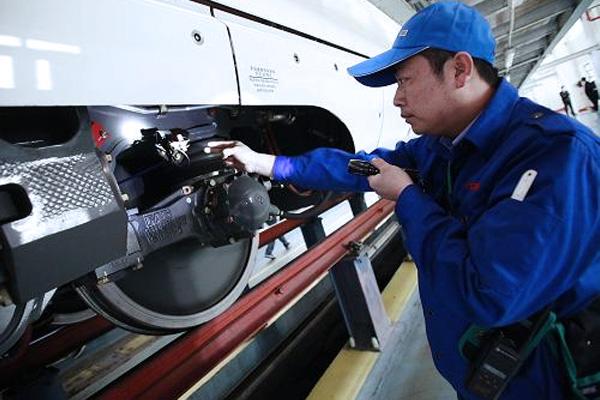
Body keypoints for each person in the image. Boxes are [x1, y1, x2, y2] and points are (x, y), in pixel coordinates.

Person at [206, 2, 600, 399]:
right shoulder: (442, 146)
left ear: (459, 70)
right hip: (488, 378)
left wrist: (408, 198)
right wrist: (271, 164)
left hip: (548, 383)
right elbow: (362, 167)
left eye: (404, 81)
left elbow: (489, 294)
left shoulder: (556, 156)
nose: (397, 99)